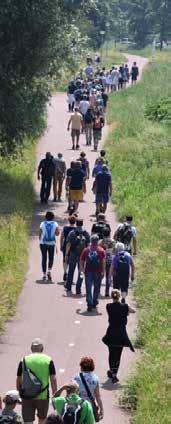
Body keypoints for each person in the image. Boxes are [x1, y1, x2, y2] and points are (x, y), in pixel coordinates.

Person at [16, 338, 57, 424]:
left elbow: (19, 378)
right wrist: (55, 394)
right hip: (43, 396)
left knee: (28, 421)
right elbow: (53, 379)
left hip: (27, 395)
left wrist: (19, 393)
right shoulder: (48, 360)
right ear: (42, 349)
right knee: (42, 419)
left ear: (31, 349)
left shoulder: (23, 360)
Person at [102, 289, 135, 383]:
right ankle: (114, 373)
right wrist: (126, 308)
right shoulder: (124, 306)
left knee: (111, 353)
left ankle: (111, 370)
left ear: (112, 297)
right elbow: (133, 311)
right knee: (118, 354)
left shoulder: (108, 306)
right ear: (120, 296)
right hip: (121, 334)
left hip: (111, 333)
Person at [80, 235, 105, 312]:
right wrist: (103, 271)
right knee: (97, 287)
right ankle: (94, 302)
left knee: (88, 288)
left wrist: (82, 269)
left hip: (88, 271)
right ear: (98, 241)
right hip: (98, 271)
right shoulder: (101, 250)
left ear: (91, 241)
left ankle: (89, 303)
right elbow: (103, 262)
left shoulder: (86, 250)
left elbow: (82, 260)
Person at [74, 357, 104, 421]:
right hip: (90, 407)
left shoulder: (76, 377)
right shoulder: (95, 378)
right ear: (92, 367)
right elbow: (97, 396)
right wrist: (101, 409)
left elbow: (72, 393)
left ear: (81, 366)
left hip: (78, 406)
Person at [65, 219, 90, 294]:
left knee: (71, 270)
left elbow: (68, 244)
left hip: (73, 253)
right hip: (82, 255)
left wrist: (66, 254)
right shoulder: (86, 233)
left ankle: (69, 287)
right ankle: (78, 289)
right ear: (82, 224)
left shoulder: (72, 232)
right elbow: (88, 245)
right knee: (81, 271)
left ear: (76, 224)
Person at [39, 211, 60, 281]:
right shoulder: (55, 224)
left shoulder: (42, 223)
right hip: (51, 243)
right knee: (51, 258)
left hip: (43, 243)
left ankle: (44, 274)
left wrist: (40, 240)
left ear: (46, 217)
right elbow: (57, 234)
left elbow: (40, 233)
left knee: (44, 258)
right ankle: (49, 271)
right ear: (53, 217)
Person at [99, 227, 116, 297]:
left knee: (100, 275)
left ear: (102, 234)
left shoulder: (100, 242)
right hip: (110, 260)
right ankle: (107, 292)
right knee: (108, 277)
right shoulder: (113, 242)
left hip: (102, 261)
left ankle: (98, 290)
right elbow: (115, 252)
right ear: (109, 233)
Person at [60, 215, 77, 282]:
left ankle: (65, 272)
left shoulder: (65, 228)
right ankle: (70, 275)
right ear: (75, 221)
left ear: (69, 221)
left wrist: (61, 245)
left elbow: (62, 237)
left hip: (65, 245)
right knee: (72, 261)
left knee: (65, 259)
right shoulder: (76, 229)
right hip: (74, 246)